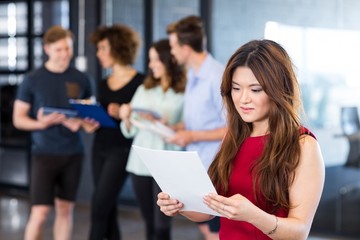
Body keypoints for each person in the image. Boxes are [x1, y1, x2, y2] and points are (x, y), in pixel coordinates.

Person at [157, 39, 325, 239]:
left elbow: (299, 232)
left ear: (279, 90)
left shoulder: (303, 145)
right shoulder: (234, 137)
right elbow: (208, 209)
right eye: (236, 88)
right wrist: (179, 205)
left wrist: (254, 216)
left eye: (255, 90)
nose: (243, 99)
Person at [12, 25, 98, 240]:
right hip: (44, 154)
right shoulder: (32, 79)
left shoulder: (82, 79)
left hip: (73, 154)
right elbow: (18, 120)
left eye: (67, 49)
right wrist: (41, 124)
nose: (64, 54)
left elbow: (90, 118)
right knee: (40, 213)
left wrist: (81, 122)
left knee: (65, 210)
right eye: (59, 49)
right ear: (47, 49)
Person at [118, 39, 186, 240]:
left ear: (169, 60)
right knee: (149, 222)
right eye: (150, 60)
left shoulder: (185, 91)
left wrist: (165, 123)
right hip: (140, 161)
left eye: (156, 59)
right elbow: (128, 130)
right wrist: (126, 117)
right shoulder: (144, 89)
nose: (151, 64)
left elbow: (190, 127)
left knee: (162, 225)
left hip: (168, 161)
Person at [165, 15, 226, 239]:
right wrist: (173, 127)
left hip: (216, 166)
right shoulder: (192, 74)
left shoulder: (216, 76)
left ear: (186, 48)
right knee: (206, 228)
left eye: (173, 46)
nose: (171, 52)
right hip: (198, 163)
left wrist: (190, 135)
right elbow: (198, 120)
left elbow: (234, 129)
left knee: (215, 231)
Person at [88, 24, 144, 240]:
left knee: (98, 206)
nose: (98, 54)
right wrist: (90, 120)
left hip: (121, 151)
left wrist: (123, 114)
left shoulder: (141, 82)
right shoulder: (102, 83)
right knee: (107, 209)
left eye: (102, 48)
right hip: (99, 147)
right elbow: (101, 118)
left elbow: (141, 119)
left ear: (117, 48)